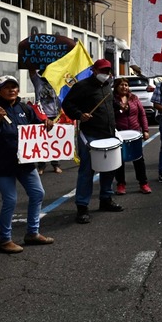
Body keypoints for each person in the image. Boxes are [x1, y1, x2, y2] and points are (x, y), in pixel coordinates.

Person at [0, 75, 55, 253]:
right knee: (10, 200)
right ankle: (4, 240)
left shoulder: (25, 109)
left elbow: (37, 127)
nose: (12, 90)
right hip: (2, 163)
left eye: (14, 87)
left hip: (25, 162)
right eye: (6, 87)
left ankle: (32, 233)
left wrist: (46, 122)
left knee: (38, 193)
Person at [62, 58, 124, 224]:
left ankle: (106, 199)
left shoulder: (107, 86)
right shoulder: (82, 86)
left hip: (108, 133)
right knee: (87, 171)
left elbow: (110, 106)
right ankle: (82, 207)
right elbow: (67, 104)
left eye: (108, 71)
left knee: (109, 168)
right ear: (94, 71)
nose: (106, 74)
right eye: (102, 71)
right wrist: (79, 115)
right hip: (90, 134)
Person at [112, 77, 152, 195]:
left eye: (126, 85)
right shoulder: (112, 99)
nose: (124, 87)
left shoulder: (134, 98)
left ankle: (143, 184)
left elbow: (142, 115)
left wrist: (145, 130)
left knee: (138, 160)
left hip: (135, 133)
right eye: (121, 85)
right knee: (119, 161)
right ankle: (121, 184)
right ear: (116, 87)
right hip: (119, 134)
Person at [28, 69, 63, 175]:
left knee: (54, 142)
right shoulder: (38, 81)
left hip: (55, 116)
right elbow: (31, 71)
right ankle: (41, 166)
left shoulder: (57, 82)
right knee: (41, 142)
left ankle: (56, 165)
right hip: (41, 116)